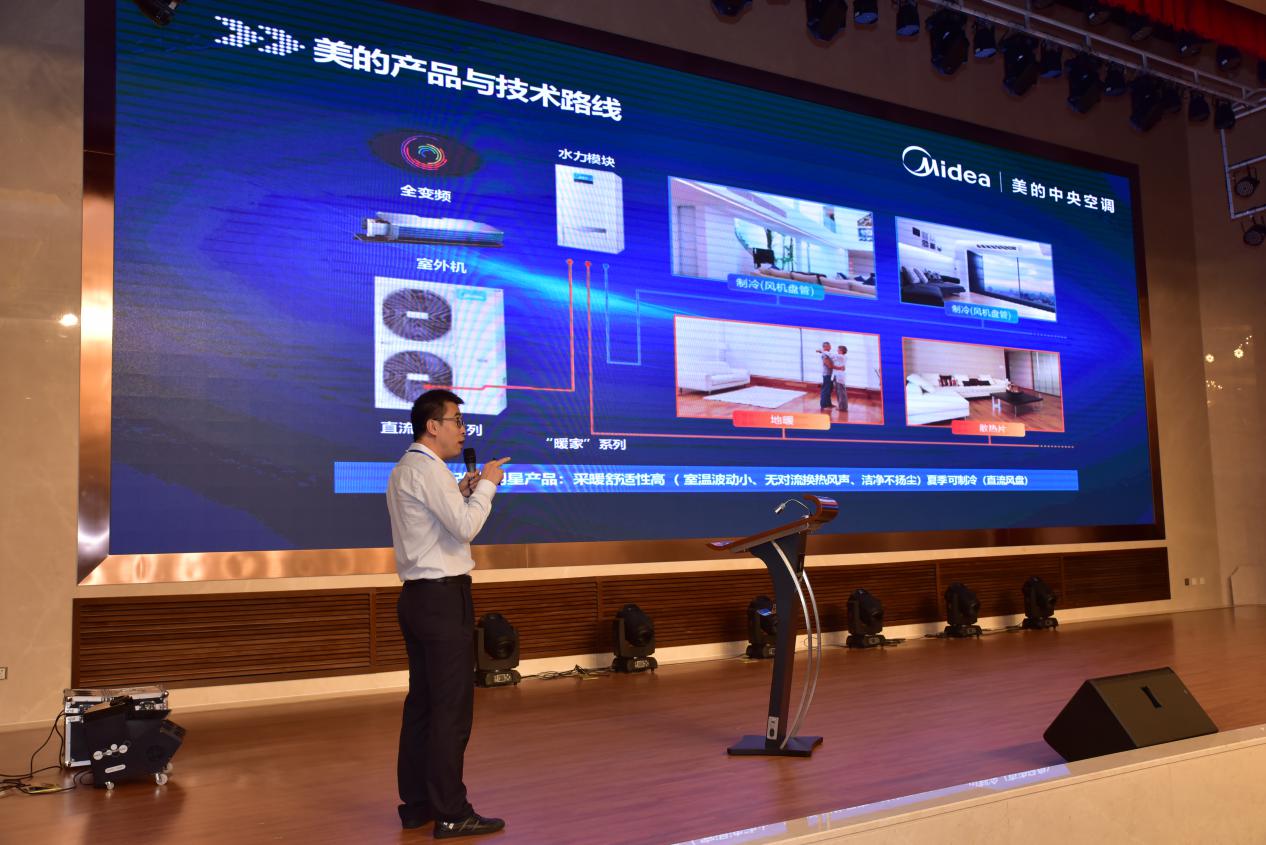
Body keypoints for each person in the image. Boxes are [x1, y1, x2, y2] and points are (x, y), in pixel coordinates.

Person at [387, 388, 511, 839]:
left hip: (417, 599)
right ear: (432, 426)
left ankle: (417, 804)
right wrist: (488, 485)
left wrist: (460, 492)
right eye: (457, 420)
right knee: (450, 709)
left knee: (422, 706)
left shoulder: (407, 468)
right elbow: (464, 527)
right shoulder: (430, 469)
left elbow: (435, 521)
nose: (463, 429)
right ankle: (452, 812)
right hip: (442, 602)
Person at [830, 345, 849, 413]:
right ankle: (841, 406)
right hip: (837, 376)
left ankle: (843, 407)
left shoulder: (842, 356)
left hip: (839, 376)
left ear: (842, 351)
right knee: (839, 392)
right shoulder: (839, 357)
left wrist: (822, 351)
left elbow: (831, 355)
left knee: (841, 392)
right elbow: (833, 359)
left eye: (838, 350)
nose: (837, 350)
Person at [818, 340, 834, 410]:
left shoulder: (827, 353)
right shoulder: (824, 354)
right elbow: (828, 364)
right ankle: (823, 405)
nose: (830, 347)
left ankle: (828, 404)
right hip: (827, 374)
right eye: (829, 346)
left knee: (829, 389)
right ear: (825, 347)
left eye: (830, 346)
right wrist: (836, 367)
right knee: (826, 389)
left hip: (830, 374)